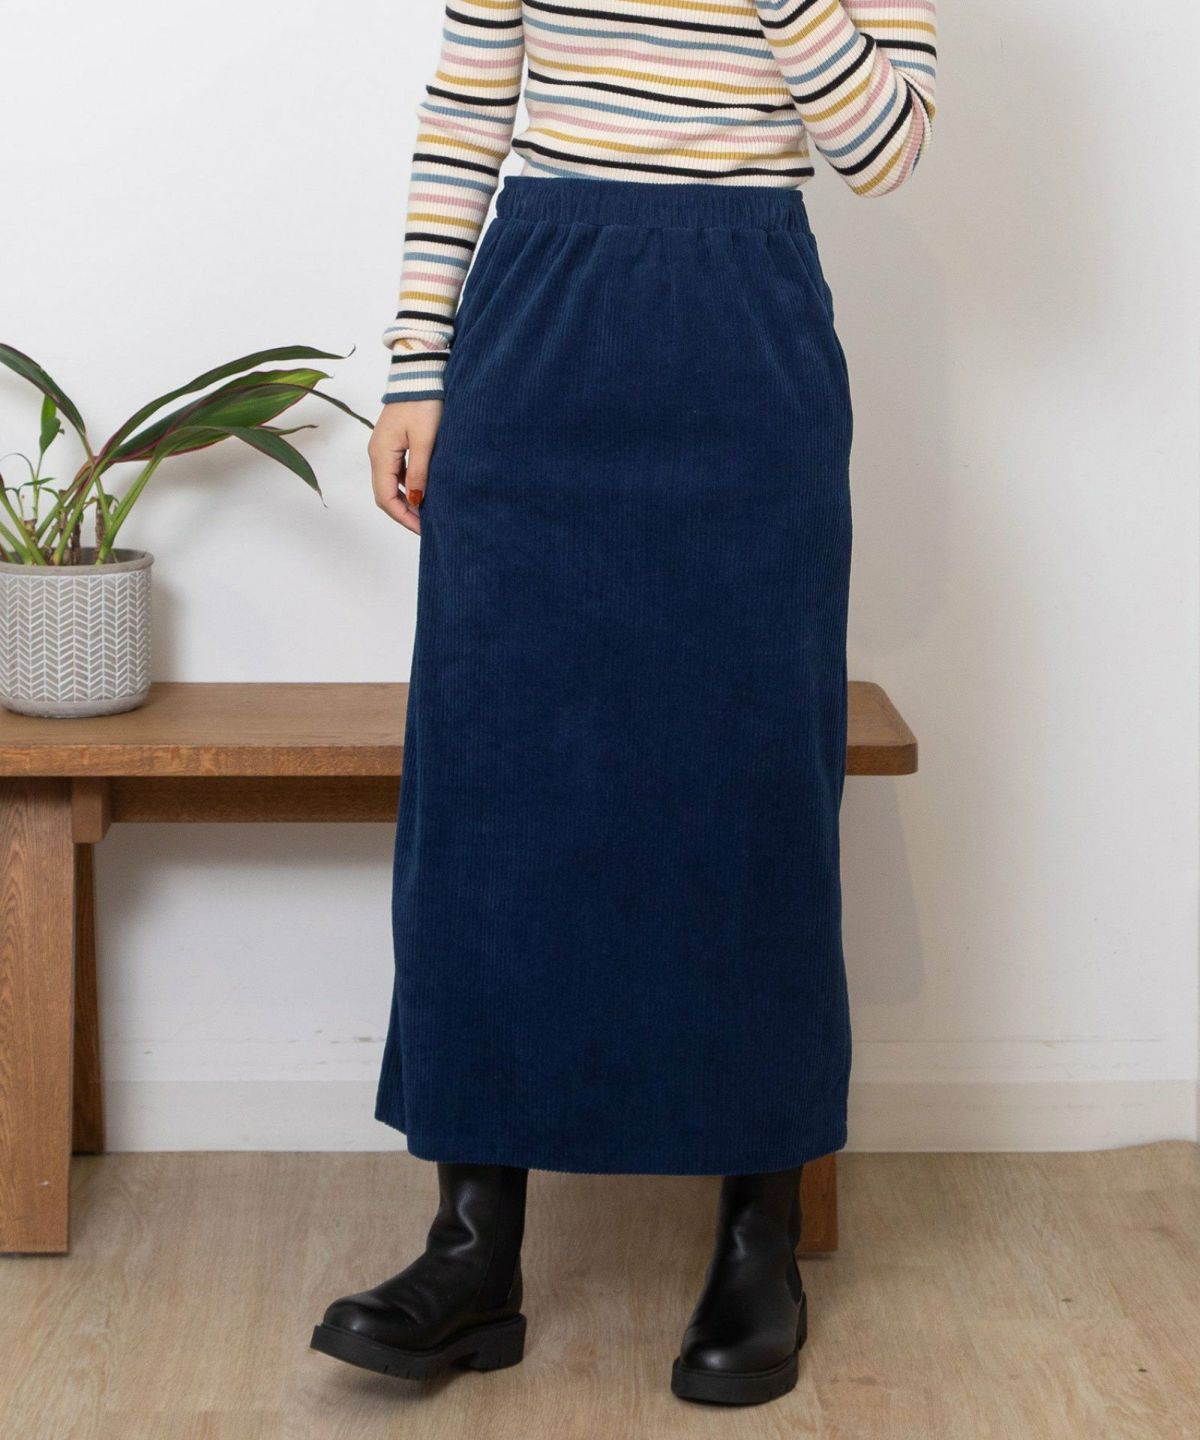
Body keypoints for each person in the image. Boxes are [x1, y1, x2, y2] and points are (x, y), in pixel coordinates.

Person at [311, 0, 937, 1407]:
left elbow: (885, 152)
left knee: (751, 795)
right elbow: (466, 113)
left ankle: (758, 1242)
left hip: (747, 330)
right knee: (494, 789)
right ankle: (471, 1252)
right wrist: (417, 365)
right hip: (537, 314)